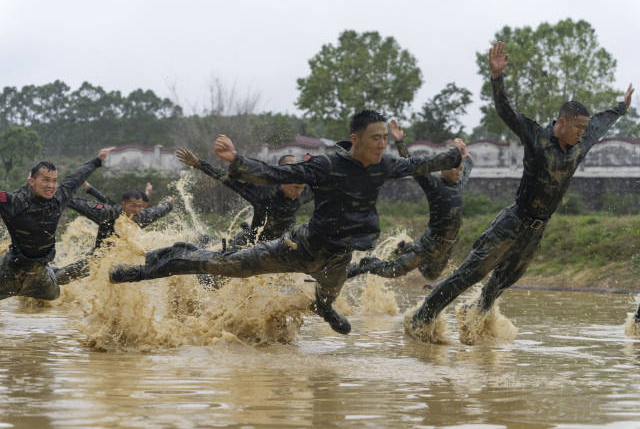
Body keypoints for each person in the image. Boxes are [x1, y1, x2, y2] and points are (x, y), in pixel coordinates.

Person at [109, 110, 465, 334]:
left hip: (337, 259)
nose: (382, 144)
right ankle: (144, 270)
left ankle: (324, 308)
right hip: (299, 247)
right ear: (355, 140)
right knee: (223, 266)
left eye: (385, 139)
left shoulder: (385, 165)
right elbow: (278, 172)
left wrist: (454, 155)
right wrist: (236, 160)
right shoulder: (326, 166)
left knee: (327, 299)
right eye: (376, 138)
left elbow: (419, 165)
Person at [407, 41, 635, 335]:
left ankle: (474, 317)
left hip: (536, 230)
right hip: (513, 221)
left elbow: (602, 122)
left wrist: (622, 108)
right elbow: (506, 111)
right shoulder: (537, 137)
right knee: (471, 273)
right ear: (562, 122)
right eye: (577, 128)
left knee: (503, 281)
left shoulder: (582, 142)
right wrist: (497, 78)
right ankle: (422, 318)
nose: (582, 133)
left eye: (583, 129)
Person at [347, 120, 473, 281]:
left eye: (460, 169)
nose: (458, 172)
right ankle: (364, 265)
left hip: (447, 247)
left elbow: (468, 164)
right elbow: (412, 164)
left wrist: (465, 155)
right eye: (455, 168)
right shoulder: (433, 184)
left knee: (431, 275)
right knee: (392, 271)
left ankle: (406, 247)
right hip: (429, 244)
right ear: (443, 168)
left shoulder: (459, 184)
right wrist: (399, 141)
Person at [0, 148, 113, 301]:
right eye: (45, 180)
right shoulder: (14, 201)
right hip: (10, 273)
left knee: (55, 293)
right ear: (31, 181)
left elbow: (76, 178)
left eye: (54, 181)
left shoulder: (58, 199)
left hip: (40, 277)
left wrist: (97, 160)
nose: (51, 186)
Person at [176, 148, 312, 249]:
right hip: (252, 244)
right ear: (283, 178)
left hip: (280, 244)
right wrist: (198, 164)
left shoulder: (304, 191)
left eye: (301, 187)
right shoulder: (262, 192)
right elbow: (225, 178)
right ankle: (201, 239)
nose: (299, 192)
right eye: (295, 187)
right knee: (219, 251)